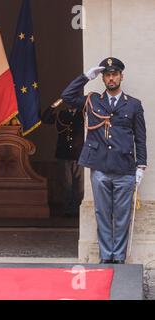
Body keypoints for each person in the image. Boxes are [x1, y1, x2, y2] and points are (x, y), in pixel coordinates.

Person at [60, 57, 147, 264]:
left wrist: (141, 165)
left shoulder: (133, 105)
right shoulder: (93, 100)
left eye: (114, 74)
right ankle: (107, 256)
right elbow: (67, 96)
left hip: (125, 168)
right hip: (100, 167)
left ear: (121, 77)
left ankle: (119, 257)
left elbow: (140, 138)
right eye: (107, 75)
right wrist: (85, 77)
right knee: (102, 213)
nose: (111, 78)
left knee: (122, 215)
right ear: (103, 79)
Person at [41, 100, 84, 217]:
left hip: (80, 155)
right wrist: (53, 105)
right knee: (67, 185)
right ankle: (68, 211)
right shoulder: (61, 114)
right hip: (64, 154)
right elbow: (45, 119)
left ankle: (79, 210)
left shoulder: (84, 114)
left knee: (80, 186)